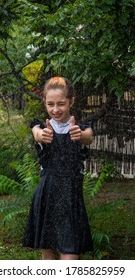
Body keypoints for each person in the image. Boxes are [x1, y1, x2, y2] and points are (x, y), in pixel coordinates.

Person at [23, 77, 94, 260]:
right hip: (47, 195)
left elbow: (88, 136)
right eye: (50, 104)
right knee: (48, 256)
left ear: (71, 101)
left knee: (70, 256)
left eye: (61, 104)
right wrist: (40, 135)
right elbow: (37, 133)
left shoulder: (81, 128)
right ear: (45, 103)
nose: (55, 109)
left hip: (71, 198)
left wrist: (80, 135)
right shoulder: (41, 127)